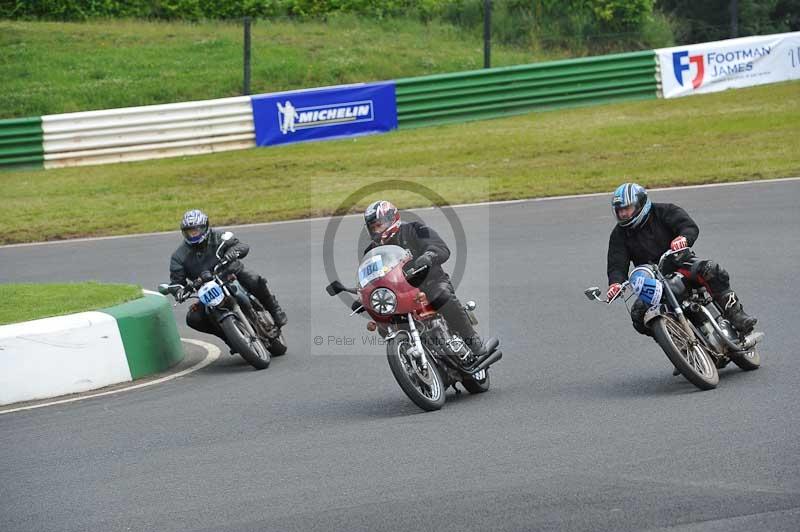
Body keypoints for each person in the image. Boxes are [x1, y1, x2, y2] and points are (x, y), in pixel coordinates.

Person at [606, 183, 757, 337]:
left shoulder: (664, 211)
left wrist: (683, 238)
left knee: (710, 269)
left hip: (680, 263)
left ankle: (736, 315)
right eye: (619, 210)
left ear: (640, 204)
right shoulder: (619, 234)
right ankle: (676, 341)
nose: (623, 214)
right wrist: (615, 283)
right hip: (653, 281)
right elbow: (617, 263)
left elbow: (688, 226)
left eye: (627, 208)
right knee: (638, 315)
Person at [362, 200, 487, 357]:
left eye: (378, 225)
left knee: (442, 296)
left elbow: (439, 247)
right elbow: (371, 276)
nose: (376, 230)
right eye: (372, 227)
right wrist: (364, 290)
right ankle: (409, 361)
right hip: (399, 294)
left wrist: (428, 256)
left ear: (391, 219)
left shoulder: (415, 228)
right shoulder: (372, 251)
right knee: (384, 323)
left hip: (430, 282)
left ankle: (471, 338)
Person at [169, 209, 287, 346]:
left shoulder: (219, 236)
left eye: (196, 230)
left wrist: (232, 253)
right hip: (207, 288)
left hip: (231, 272)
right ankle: (229, 338)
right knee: (193, 318)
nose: (193, 234)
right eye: (190, 231)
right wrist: (179, 291)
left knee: (254, 279)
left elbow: (241, 246)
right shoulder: (178, 257)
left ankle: (275, 310)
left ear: (205, 227)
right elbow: (176, 282)